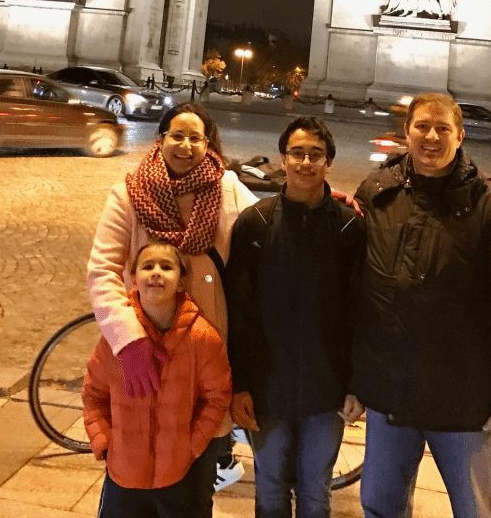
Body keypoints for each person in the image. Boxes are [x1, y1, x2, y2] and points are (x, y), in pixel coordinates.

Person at [352, 92, 491, 518]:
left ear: (460, 137)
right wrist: (352, 381)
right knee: (380, 506)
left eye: (442, 128)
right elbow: (355, 296)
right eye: (422, 126)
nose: (431, 137)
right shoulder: (375, 193)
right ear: (407, 132)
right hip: (391, 395)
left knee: (473, 511)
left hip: (466, 402)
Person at [87, 102, 258, 497]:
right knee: (139, 456)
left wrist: (321, 196)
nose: (185, 145)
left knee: (195, 475)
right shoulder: (129, 193)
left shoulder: (227, 188)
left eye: (195, 138)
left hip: (203, 347)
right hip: (147, 345)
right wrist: (127, 339)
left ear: (208, 144)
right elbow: (102, 270)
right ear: (160, 139)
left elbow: (273, 220)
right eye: (177, 136)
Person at [225, 116, 366, 518]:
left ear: (329, 163)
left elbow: (361, 312)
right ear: (283, 160)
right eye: (297, 153)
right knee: (270, 490)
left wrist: (357, 385)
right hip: (268, 388)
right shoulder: (255, 222)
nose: (306, 162)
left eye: (315, 155)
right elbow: (239, 310)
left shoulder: (350, 227)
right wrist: (240, 385)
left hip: (328, 391)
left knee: (316, 493)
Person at [83, 241, 232, 518]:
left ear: (181, 281)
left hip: (179, 474)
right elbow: (94, 394)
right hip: (124, 475)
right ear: (133, 277)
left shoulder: (201, 338)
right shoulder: (117, 339)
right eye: (147, 266)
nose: (156, 272)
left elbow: (217, 396)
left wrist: (192, 445)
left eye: (166, 267)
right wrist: (104, 441)